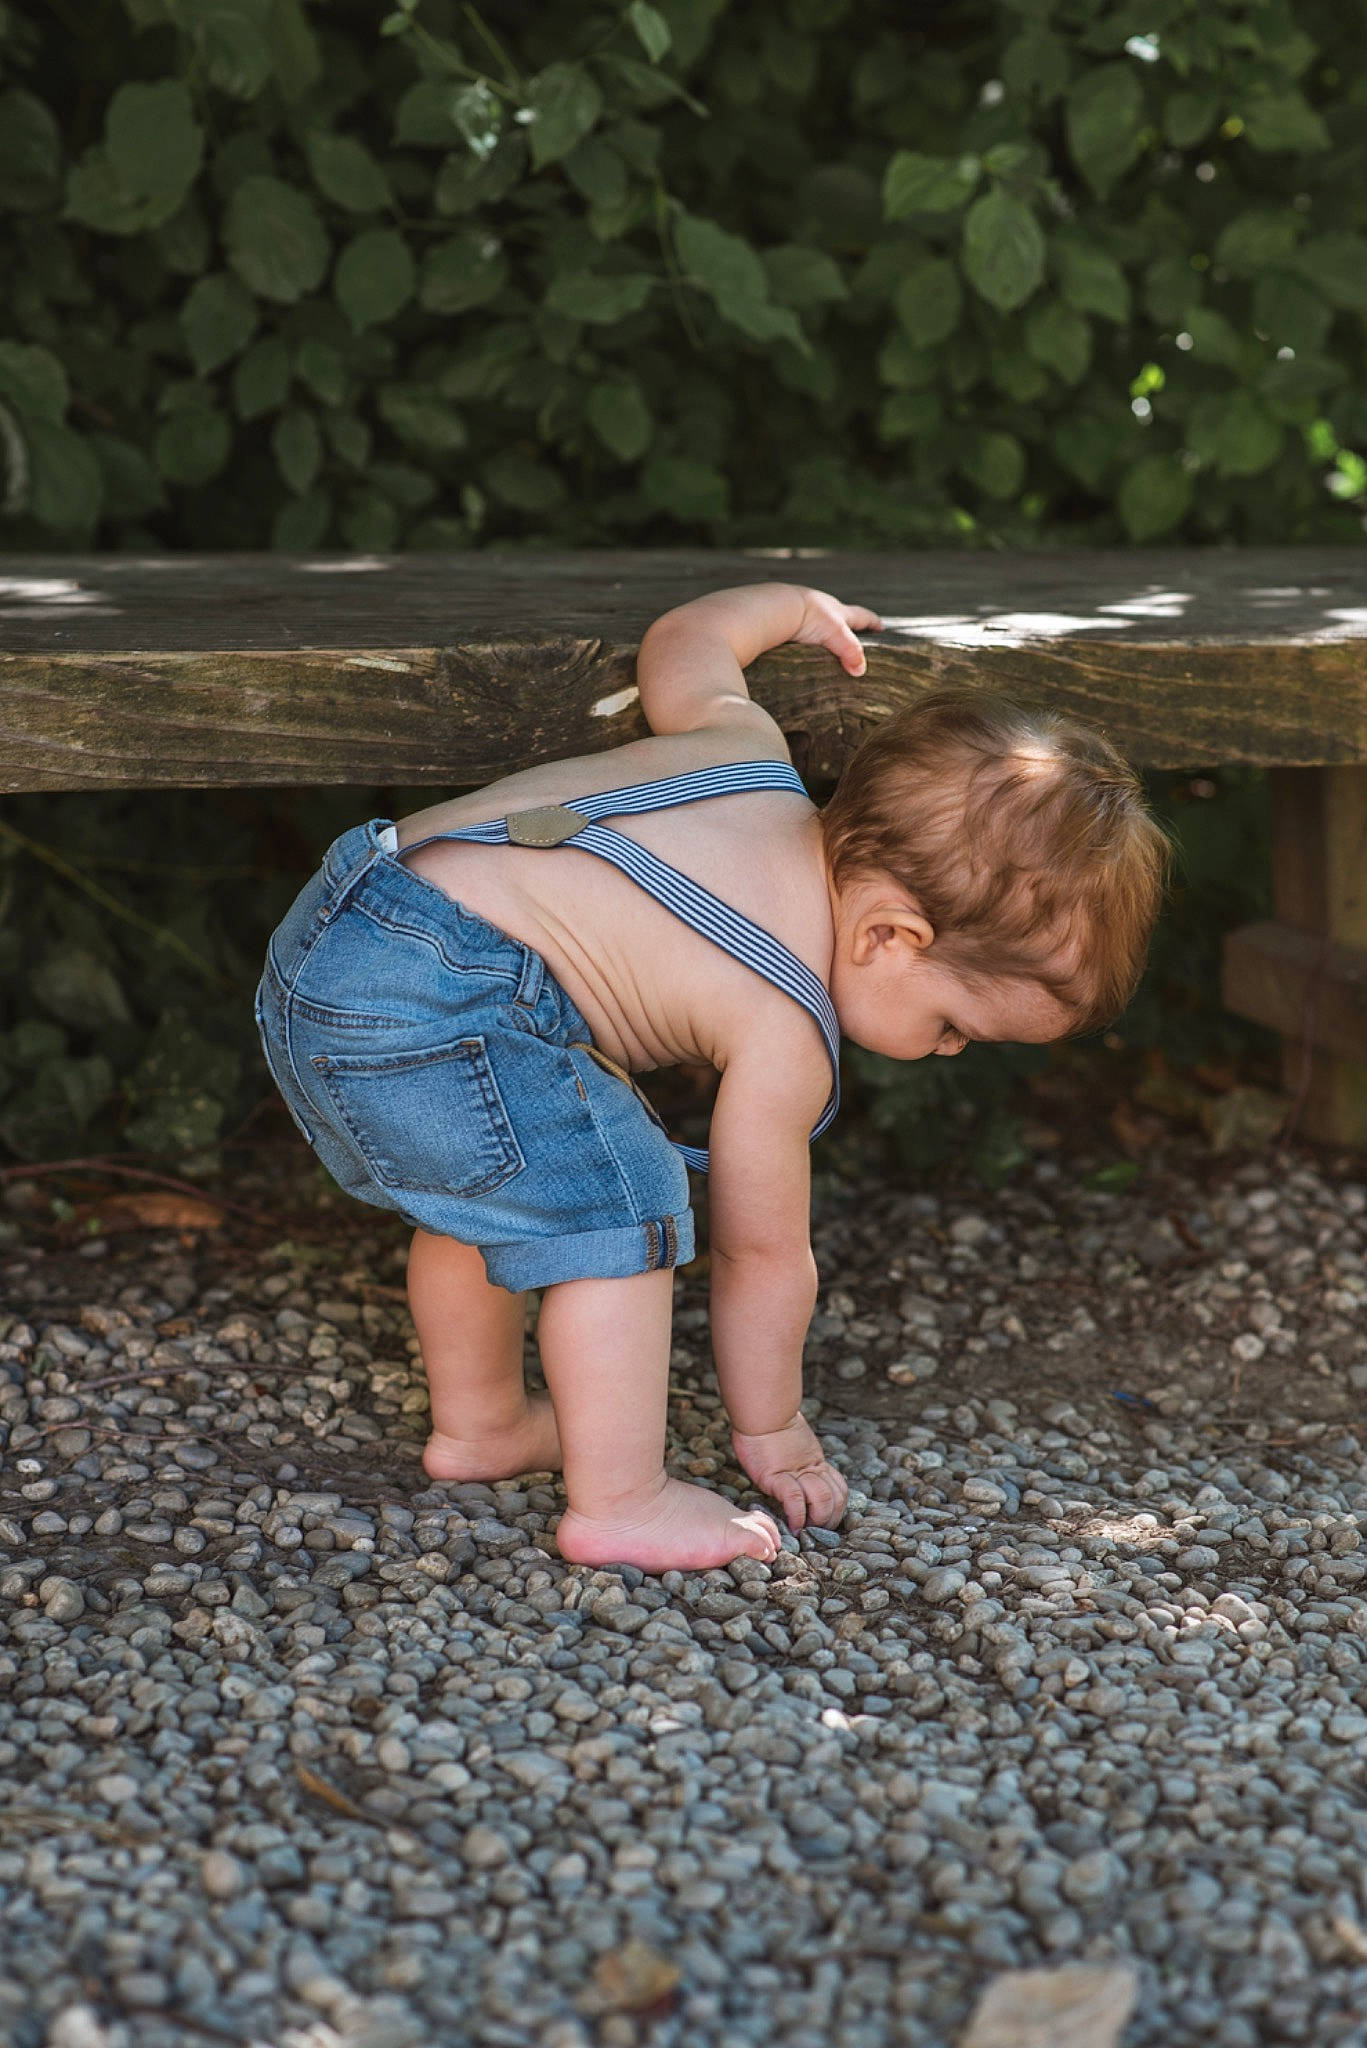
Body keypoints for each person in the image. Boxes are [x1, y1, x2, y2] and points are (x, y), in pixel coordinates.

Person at [256, 583, 1166, 1572]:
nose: (948, 1050)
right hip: (442, 992)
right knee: (622, 1194)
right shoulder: (787, 1030)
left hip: (341, 921)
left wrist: (788, 606)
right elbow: (759, 1254)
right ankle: (621, 1503)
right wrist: (773, 1430)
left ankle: (483, 1426)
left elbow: (685, 639)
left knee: (503, 1181)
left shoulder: (745, 747)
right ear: (887, 936)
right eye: (953, 1026)